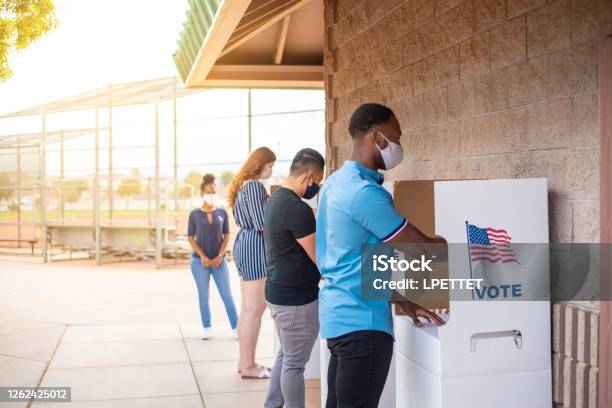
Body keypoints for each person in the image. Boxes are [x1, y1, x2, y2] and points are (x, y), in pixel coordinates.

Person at [316, 103, 447, 408]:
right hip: (363, 328)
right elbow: (422, 249)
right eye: (396, 136)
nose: (399, 145)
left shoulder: (335, 183)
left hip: (339, 321)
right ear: (377, 136)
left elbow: (354, 261)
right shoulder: (364, 194)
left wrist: (402, 300)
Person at [263, 148, 325, 408]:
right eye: (318, 181)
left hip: (278, 293)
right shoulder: (296, 208)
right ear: (308, 176)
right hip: (296, 300)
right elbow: (320, 259)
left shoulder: (275, 200)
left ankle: (272, 404)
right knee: (294, 365)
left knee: (286, 355)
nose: (317, 187)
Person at [228, 146, 277, 379]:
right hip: (256, 246)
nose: (271, 170)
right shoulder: (255, 186)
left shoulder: (242, 186)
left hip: (246, 245)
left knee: (248, 310)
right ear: (261, 164)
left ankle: (245, 362)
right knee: (255, 309)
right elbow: (262, 223)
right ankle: (248, 366)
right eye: (270, 165)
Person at [187, 174, 238, 340]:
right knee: (203, 296)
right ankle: (207, 328)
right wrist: (202, 256)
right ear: (202, 193)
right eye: (209, 192)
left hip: (219, 262)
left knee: (227, 295)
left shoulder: (222, 212)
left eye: (214, 192)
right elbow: (190, 237)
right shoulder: (194, 214)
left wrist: (219, 255)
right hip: (199, 262)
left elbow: (226, 235)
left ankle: (236, 328)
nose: (212, 194)